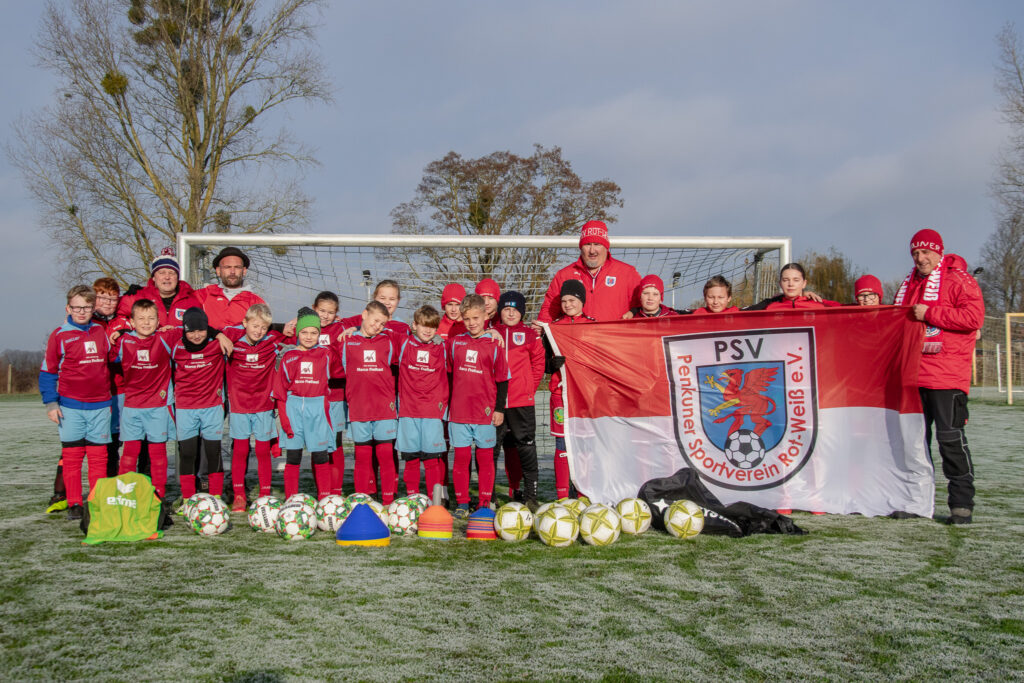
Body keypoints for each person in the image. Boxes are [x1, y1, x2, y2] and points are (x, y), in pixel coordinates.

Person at [894, 229, 984, 524]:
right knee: (915, 445)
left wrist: (930, 313)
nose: (921, 258)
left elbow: (973, 318)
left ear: (939, 252)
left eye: (926, 252)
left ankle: (961, 504)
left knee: (951, 441)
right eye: (916, 253)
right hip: (913, 376)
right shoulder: (910, 284)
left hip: (947, 377)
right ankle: (917, 502)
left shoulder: (959, 279)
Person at [40, 285, 114, 520]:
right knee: (72, 458)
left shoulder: (101, 332)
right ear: (68, 308)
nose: (81, 312)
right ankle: (74, 503)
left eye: (86, 307)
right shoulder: (59, 335)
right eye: (77, 307)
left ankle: (95, 501)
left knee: (98, 458)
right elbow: (47, 372)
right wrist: (51, 404)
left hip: (101, 406)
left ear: (93, 308)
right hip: (70, 407)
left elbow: (114, 359)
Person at [447, 294, 510, 516]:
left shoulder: (494, 345)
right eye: (467, 319)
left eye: (476, 317)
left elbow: (503, 380)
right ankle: (462, 504)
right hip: (459, 413)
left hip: (485, 412)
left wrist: (499, 409)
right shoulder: (454, 344)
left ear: (485, 315)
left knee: (485, 459)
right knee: (462, 460)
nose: (472, 323)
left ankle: (485, 502)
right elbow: (447, 376)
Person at [223, 304, 288, 510]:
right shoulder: (232, 341)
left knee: (262, 451)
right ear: (245, 324)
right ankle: (240, 495)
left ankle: (264, 494)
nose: (259, 331)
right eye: (255, 326)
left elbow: (300, 333)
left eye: (263, 327)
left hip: (264, 406)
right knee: (241, 450)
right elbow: (221, 331)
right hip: (240, 407)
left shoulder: (271, 341)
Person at [110, 299, 175, 502]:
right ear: (132, 321)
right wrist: (118, 333)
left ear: (158, 321)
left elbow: (193, 330)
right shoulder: (123, 341)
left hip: (158, 406)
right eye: (141, 319)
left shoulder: (166, 337)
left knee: (157, 454)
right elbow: (108, 358)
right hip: (132, 407)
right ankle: (124, 495)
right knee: (129, 453)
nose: (146, 323)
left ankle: (158, 496)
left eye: (151, 318)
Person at [339, 301, 400, 505]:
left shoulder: (389, 341)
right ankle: (361, 500)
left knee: (385, 455)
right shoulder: (347, 341)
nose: (378, 326)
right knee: (362, 457)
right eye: (375, 321)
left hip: (384, 408)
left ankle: (389, 501)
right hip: (359, 408)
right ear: (364, 314)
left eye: (382, 324)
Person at [272, 307, 336, 499]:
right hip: (293, 410)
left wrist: (350, 328)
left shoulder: (326, 354)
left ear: (320, 334)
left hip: (318, 410)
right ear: (297, 333)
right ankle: (291, 499)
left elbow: (344, 358)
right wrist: (284, 421)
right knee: (293, 457)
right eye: (304, 332)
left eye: (314, 332)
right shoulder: (289, 357)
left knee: (320, 456)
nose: (309, 336)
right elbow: (280, 393)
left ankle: (324, 499)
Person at [171, 308, 232, 502]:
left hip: (212, 407)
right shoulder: (175, 345)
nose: (196, 335)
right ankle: (188, 498)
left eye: (201, 330)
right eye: (191, 331)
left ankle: (215, 497)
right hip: (185, 408)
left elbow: (245, 328)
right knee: (188, 453)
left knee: (213, 452)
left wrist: (218, 334)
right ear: (183, 330)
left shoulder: (216, 345)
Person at [493, 291, 545, 510]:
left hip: (521, 402)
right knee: (491, 449)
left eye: (515, 309)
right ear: (500, 311)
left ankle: (531, 496)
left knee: (525, 448)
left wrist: (527, 389)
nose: (511, 312)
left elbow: (538, 364)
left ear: (522, 312)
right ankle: (488, 495)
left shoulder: (530, 335)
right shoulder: (491, 333)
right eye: (506, 308)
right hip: (495, 403)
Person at [544, 280, 594, 500]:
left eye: (572, 300)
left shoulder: (594, 326)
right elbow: (543, 361)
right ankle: (562, 496)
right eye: (563, 301)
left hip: (585, 396)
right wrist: (552, 365)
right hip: (560, 395)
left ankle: (584, 493)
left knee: (585, 444)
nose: (567, 304)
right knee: (561, 443)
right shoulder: (552, 328)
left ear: (581, 301)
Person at [537, 220, 641, 323]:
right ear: (581, 247)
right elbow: (549, 310)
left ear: (606, 247)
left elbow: (643, 307)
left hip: (614, 338)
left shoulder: (627, 273)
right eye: (587, 244)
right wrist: (541, 329)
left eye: (597, 244)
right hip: (575, 338)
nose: (592, 250)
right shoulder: (564, 275)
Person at [395, 306, 449, 496]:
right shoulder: (404, 343)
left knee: (432, 459)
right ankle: (412, 497)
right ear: (414, 325)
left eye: (432, 327)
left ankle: (434, 500)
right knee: (411, 458)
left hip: (432, 411)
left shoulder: (441, 346)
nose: (428, 330)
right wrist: (350, 326)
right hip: (409, 411)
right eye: (423, 326)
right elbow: (384, 325)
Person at [111, 248, 199, 335]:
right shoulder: (137, 296)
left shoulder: (191, 300)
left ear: (177, 277)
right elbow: (116, 314)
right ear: (154, 277)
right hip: (147, 348)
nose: (167, 277)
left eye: (172, 273)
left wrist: (177, 332)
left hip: (180, 348)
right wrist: (129, 333)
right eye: (162, 273)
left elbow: (200, 327)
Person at [193, 246, 266, 329]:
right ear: (218, 271)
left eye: (237, 267)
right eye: (227, 267)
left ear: (244, 271)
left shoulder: (256, 302)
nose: (232, 272)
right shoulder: (203, 295)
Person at [747, 263, 840, 310]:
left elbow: (850, 310)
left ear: (804, 283)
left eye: (796, 280)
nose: (790, 284)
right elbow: (739, 313)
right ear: (780, 283)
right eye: (785, 280)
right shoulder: (768, 305)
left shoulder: (819, 304)